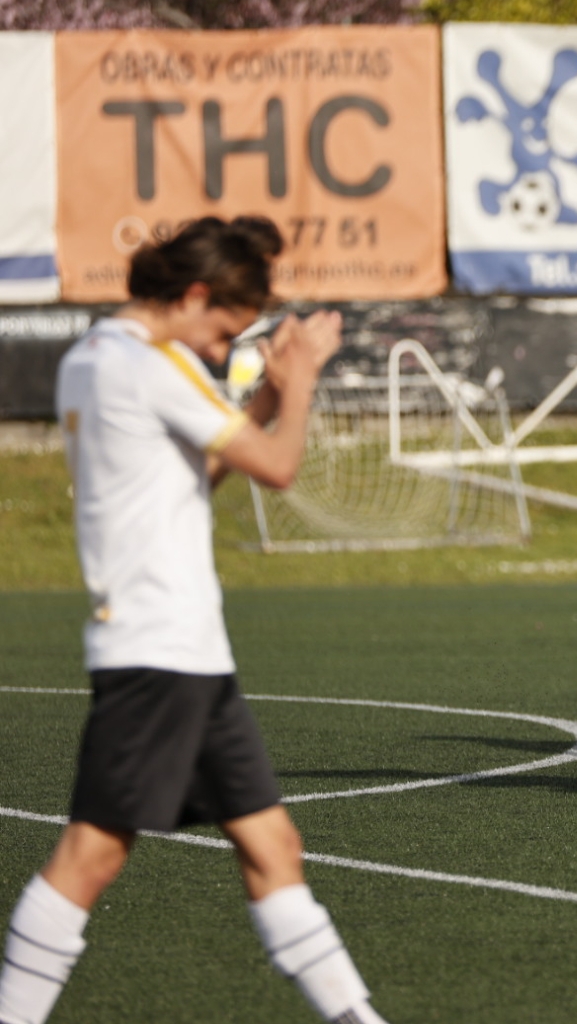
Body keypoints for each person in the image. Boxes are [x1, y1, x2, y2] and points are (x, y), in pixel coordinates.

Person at [0, 218, 391, 1024]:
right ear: (196, 293)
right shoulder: (146, 366)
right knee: (90, 858)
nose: (224, 345)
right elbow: (276, 468)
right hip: (156, 651)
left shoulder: (99, 356)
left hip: (188, 654)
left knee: (273, 846)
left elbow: (198, 473)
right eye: (223, 326)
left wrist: (270, 388)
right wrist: (303, 373)